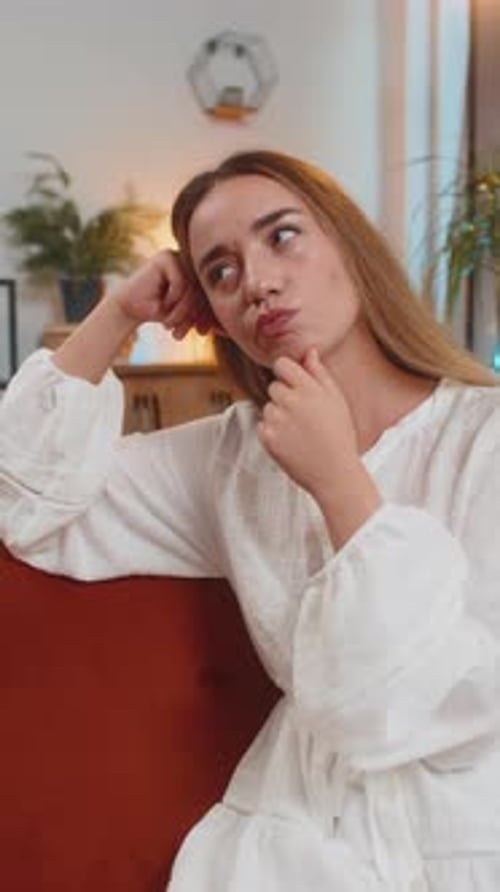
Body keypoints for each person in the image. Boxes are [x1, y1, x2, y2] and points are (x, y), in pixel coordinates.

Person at [1, 148, 500, 892]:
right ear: (217, 319)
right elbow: (29, 504)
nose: (259, 281)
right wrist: (118, 312)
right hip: (283, 848)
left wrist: (339, 484)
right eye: (220, 272)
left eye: (283, 236)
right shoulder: (232, 460)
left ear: (350, 247)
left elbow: (452, 703)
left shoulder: (483, 437)